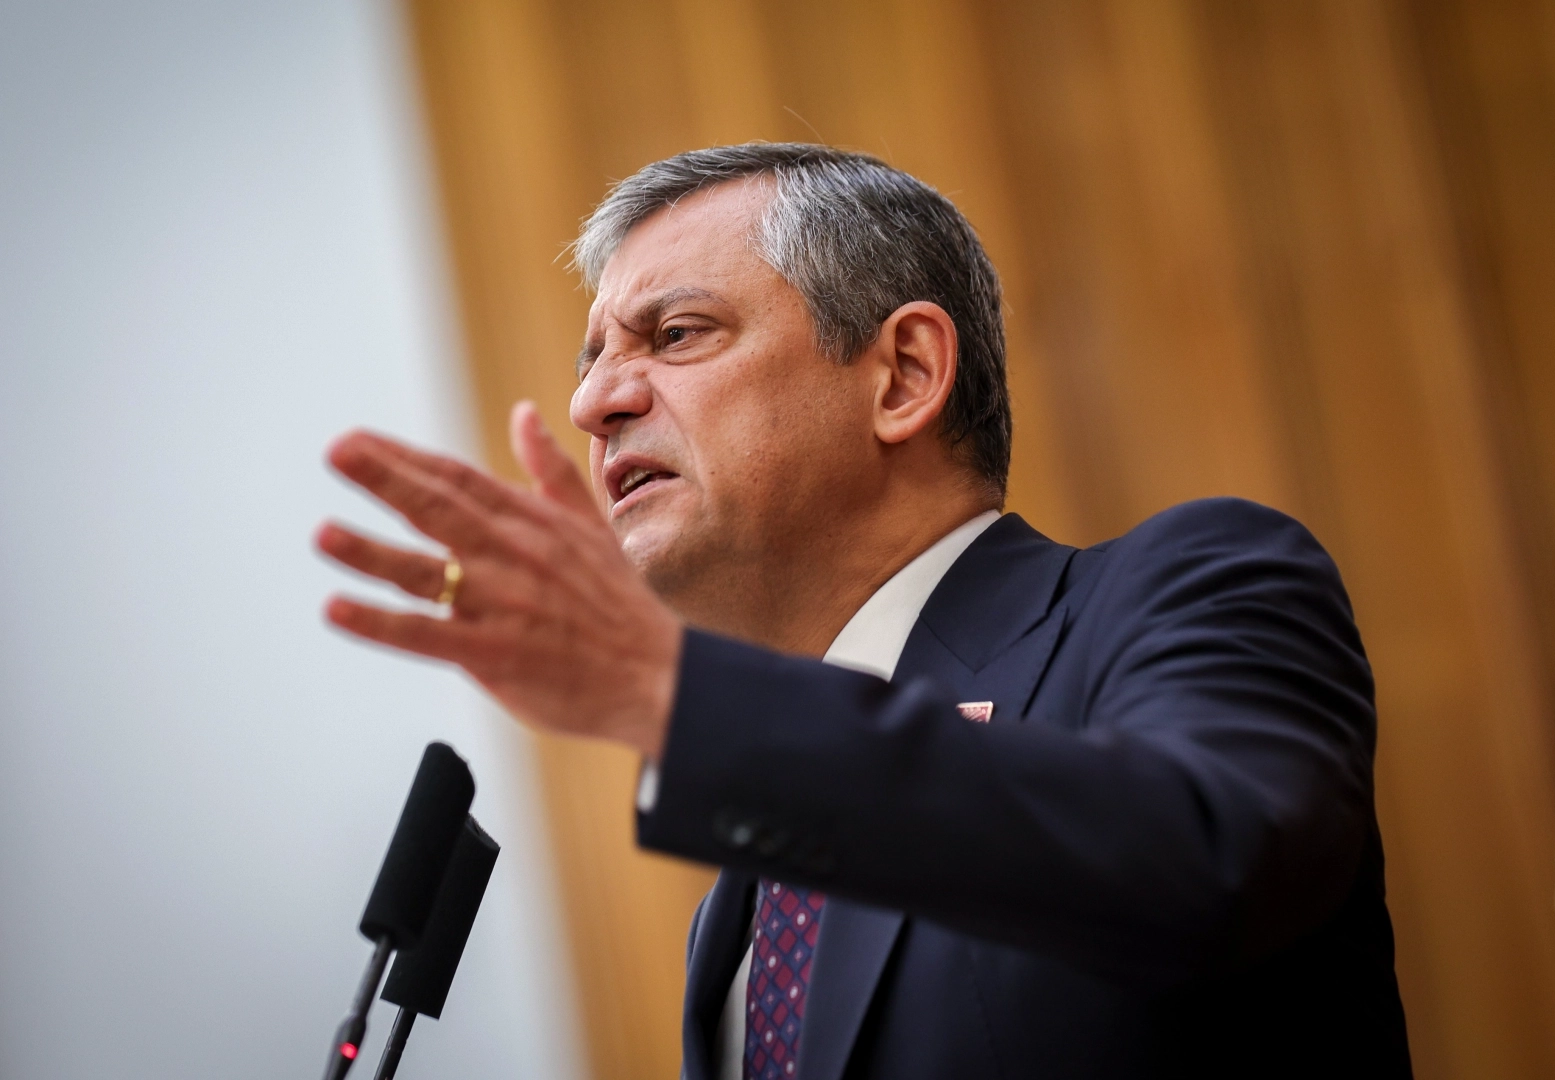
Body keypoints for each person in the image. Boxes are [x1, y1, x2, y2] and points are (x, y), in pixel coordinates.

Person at [316, 143, 1411, 1079]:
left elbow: (1207, 866)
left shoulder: (1190, 584)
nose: (592, 400)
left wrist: (671, 695)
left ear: (903, 375)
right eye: (595, 357)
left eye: (677, 333)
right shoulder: (740, 906)